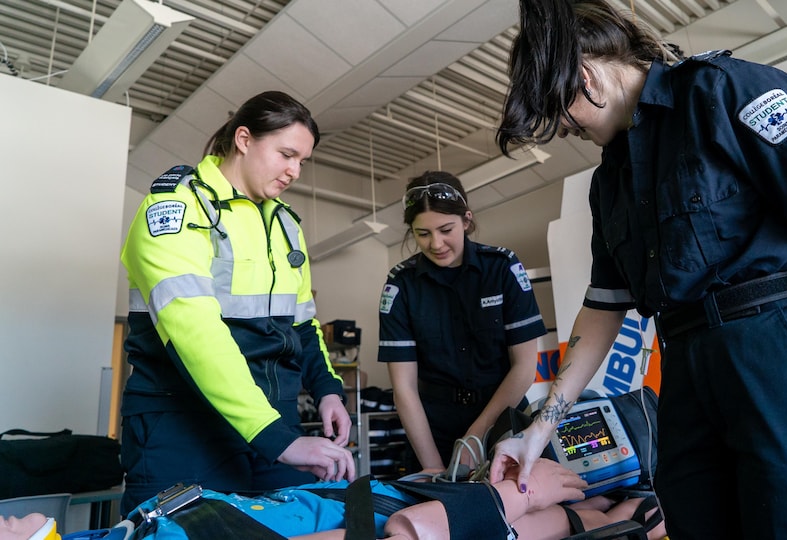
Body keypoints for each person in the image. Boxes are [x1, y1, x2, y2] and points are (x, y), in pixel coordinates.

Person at [489, 1, 787, 538]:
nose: (562, 130)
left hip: (781, 360)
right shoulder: (610, 180)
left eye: (556, 111)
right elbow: (603, 308)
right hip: (687, 376)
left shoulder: (723, 91)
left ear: (584, 76)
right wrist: (540, 429)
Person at [119, 90, 355, 514]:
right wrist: (276, 439)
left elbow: (303, 324)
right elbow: (195, 333)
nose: (294, 171)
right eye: (286, 154)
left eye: (302, 161)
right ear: (244, 139)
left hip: (272, 423)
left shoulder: (286, 225)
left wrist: (328, 391)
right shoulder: (177, 207)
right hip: (184, 428)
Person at [2, 460, 666, 540]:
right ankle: (623, 517)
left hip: (386, 495)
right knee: (592, 514)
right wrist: (512, 496)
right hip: (417, 519)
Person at [378, 171, 548, 472]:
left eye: (446, 230)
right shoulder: (401, 285)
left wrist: (476, 434)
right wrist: (433, 468)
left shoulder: (502, 268)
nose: (436, 243)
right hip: (432, 429)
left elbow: (524, 367)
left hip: (503, 418)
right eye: (423, 233)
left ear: (466, 220)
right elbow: (404, 388)